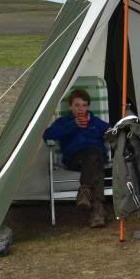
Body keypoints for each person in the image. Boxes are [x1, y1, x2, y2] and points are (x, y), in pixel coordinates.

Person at [44, 88, 110, 228]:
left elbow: (111, 131)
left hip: (95, 157)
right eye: (77, 105)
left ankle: (86, 195)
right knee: (94, 157)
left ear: (88, 106)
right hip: (75, 158)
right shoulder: (64, 121)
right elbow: (48, 135)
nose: (81, 109)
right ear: (70, 106)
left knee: (94, 156)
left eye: (84, 105)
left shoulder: (95, 121)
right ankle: (97, 207)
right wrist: (72, 126)